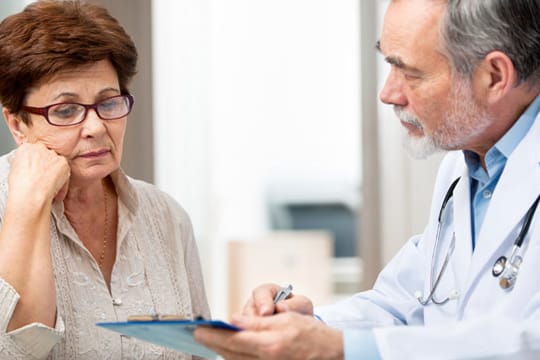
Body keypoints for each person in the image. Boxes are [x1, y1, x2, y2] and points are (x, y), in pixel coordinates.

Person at [194, 0, 540, 358]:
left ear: (495, 76)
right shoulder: (465, 169)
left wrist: (338, 349)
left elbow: (529, 343)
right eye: (389, 65)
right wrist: (307, 327)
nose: (388, 93)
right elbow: (405, 305)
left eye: (411, 73)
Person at [0, 1, 209, 359]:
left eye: (109, 103)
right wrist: (26, 207)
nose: (96, 128)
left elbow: (199, 350)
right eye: (65, 111)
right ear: (18, 124)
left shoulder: (166, 216)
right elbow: (16, 352)